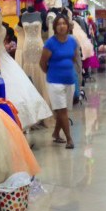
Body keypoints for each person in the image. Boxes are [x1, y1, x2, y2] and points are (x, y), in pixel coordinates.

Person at [40, 14, 79, 149]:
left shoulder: (73, 41)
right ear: (55, 27)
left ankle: (56, 133)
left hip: (69, 80)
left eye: (64, 23)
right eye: (59, 24)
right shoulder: (50, 43)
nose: (61, 26)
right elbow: (42, 63)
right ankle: (69, 139)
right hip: (55, 81)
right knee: (62, 111)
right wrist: (51, 73)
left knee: (65, 109)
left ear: (67, 26)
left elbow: (74, 58)